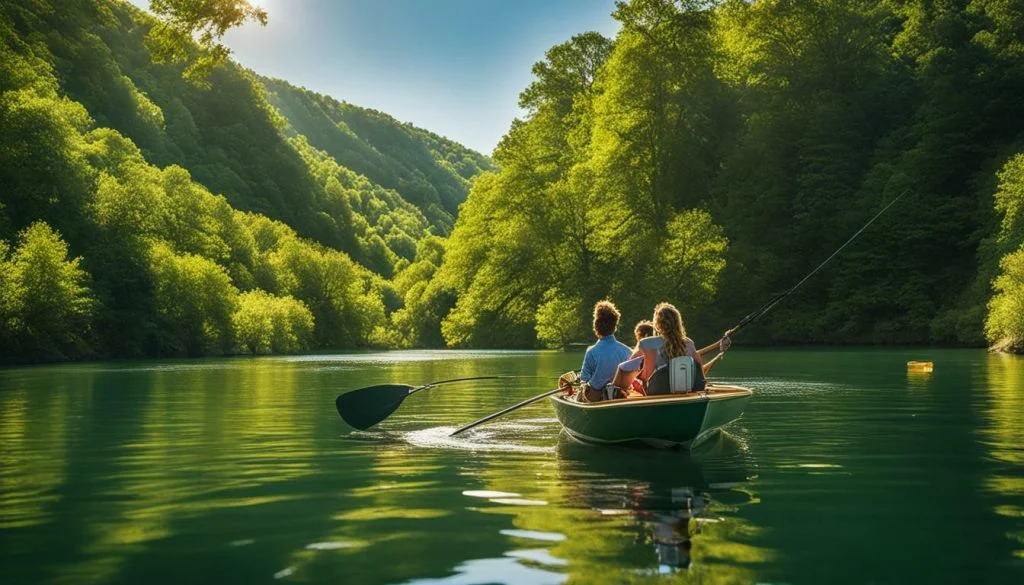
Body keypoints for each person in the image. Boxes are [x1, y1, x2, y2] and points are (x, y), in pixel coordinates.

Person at [611, 302, 731, 394]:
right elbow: (700, 374)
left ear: (657, 325)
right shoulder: (689, 344)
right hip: (686, 390)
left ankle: (613, 396)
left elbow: (629, 366)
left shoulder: (646, 343)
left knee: (625, 370)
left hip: (656, 391)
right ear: (678, 322)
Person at [560, 300, 632, 402]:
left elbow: (584, 379)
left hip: (596, 398)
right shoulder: (627, 351)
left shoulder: (591, 352)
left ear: (596, 326)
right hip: (619, 397)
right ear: (614, 326)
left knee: (577, 393)